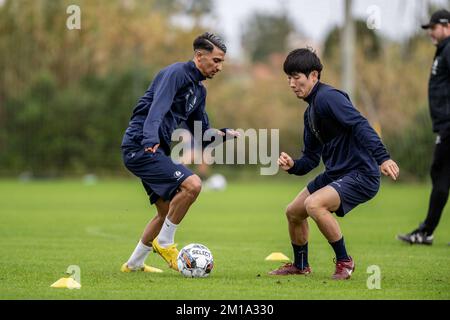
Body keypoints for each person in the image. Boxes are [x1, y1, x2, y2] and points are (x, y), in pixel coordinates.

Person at [270, 48, 400, 280]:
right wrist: (293, 166)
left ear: (314, 76)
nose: (291, 83)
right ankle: (301, 266)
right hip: (336, 174)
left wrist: (383, 157)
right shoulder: (310, 113)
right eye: (288, 77)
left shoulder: (329, 97)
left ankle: (344, 261)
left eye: (296, 77)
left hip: (361, 174)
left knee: (314, 204)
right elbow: (311, 158)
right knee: (293, 212)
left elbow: (359, 124)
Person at [120, 32, 239, 273]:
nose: (220, 66)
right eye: (216, 60)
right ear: (198, 56)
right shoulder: (176, 73)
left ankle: (133, 264)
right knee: (193, 185)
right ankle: (165, 243)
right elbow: (157, 108)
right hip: (141, 145)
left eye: (222, 61)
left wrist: (224, 135)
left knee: (166, 211)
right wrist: (151, 138)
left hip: (155, 148)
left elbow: (202, 133)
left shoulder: (199, 91)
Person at [397, 9, 450, 246]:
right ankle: (426, 230)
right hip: (445, 127)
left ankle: (426, 231)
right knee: (441, 176)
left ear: (446, 26)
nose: (430, 31)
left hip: (449, 128)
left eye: (433, 27)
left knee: (440, 176)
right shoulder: (443, 51)